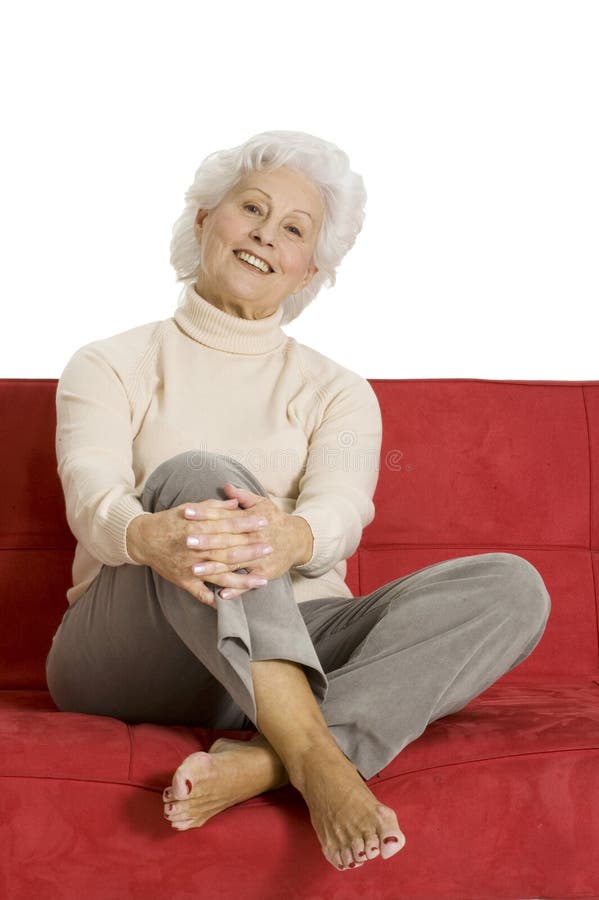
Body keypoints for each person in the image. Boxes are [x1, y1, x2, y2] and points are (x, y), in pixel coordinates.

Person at [45, 129, 551, 874]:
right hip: (131, 644)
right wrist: (149, 534)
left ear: (309, 269)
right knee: (200, 476)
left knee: (512, 587)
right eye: (249, 209)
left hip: (290, 642)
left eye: (292, 229)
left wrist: (296, 540)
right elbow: (91, 494)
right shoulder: (108, 363)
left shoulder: (338, 391)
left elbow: (342, 507)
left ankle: (260, 764)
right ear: (201, 221)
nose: (264, 235)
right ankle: (320, 764)